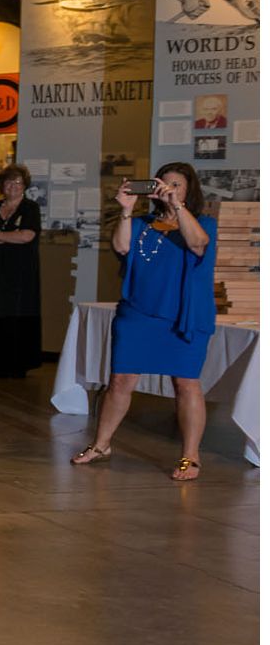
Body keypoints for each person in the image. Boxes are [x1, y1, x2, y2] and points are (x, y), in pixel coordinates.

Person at [73, 164, 219, 482]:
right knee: (121, 381)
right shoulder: (142, 223)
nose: (168, 189)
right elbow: (122, 247)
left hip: (183, 315)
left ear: (188, 190)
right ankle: (101, 445)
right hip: (138, 314)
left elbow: (198, 244)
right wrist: (125, 211)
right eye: (163, 184)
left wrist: (177, 207)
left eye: (176, 185)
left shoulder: (203, 223)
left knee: (185, 383)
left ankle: (190, 457)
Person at [0, 165, 42, 378]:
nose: (13, 187)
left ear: (24, 186)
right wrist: (9, 235)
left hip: (21, 273)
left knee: (17, 314)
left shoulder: (30, 208)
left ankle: (17, 366)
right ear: (2, 185)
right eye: (8, 182)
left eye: (18, 183)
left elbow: (27, 236)